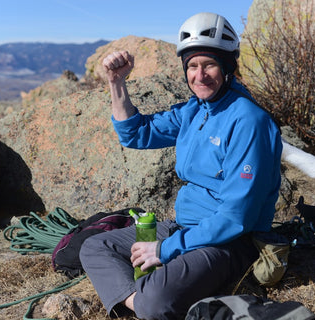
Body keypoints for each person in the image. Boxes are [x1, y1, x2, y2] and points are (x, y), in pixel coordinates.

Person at [79, 12, 283, 319]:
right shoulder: (195, 110)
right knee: (95, 247)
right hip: (184, 230)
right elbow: (136, 133)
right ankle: (143, 299)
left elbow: (236, 217)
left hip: (229, 244)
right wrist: (116, 82)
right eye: (192, 66)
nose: (199, 75)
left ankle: (149, 298)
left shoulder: (249, 122)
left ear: (228, 67)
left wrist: (164, 250)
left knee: (158, 299)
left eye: (209, 64)